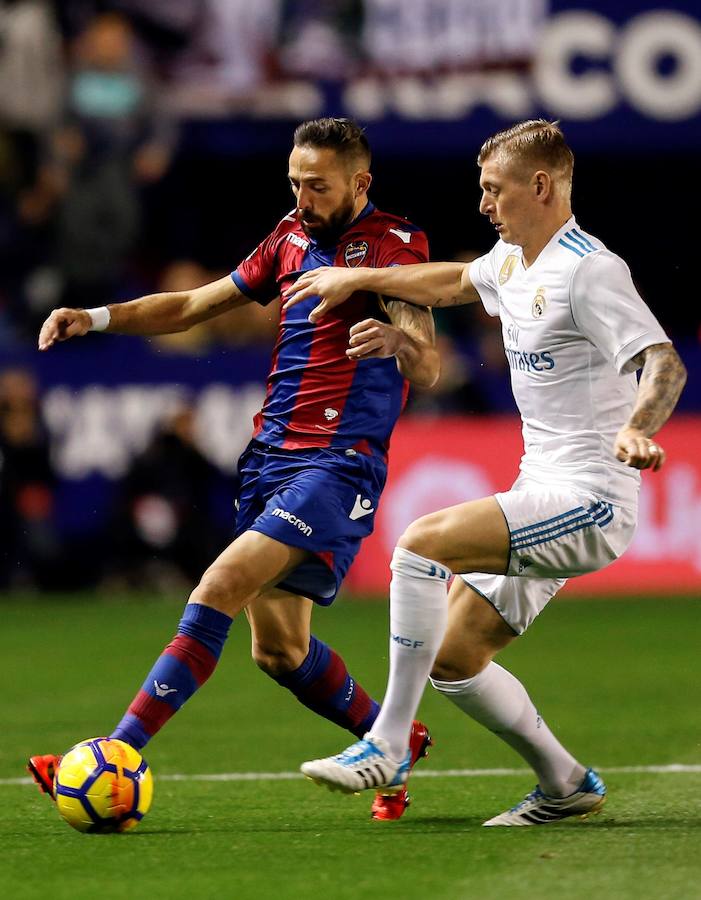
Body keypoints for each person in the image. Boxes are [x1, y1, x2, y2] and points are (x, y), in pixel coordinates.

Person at [28, 117, 440, 821]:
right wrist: (93, 317)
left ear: (359, 183)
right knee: (279, 652)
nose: (303, 197)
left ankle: (119, 753)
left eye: (318, 185)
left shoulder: (395, 248)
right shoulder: (288, 238)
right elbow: (191, 305)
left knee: (217, 582)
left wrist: (400, 338)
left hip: (338, 463)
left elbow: (429, 366)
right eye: (294, 182)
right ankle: (394, 740)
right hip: (268, 459)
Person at [287, 119, 687, 826]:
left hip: (591, 496)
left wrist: (636, 427)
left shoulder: (590, 269)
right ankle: (566, 785)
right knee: (452, 654)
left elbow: (662, 361)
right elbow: (447, 283)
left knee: (419, 543)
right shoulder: (509, 260)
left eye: (493, 190)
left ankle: (386, 742)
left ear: (540, 186)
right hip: (540, 489)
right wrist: (364, 276)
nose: (482, 204)